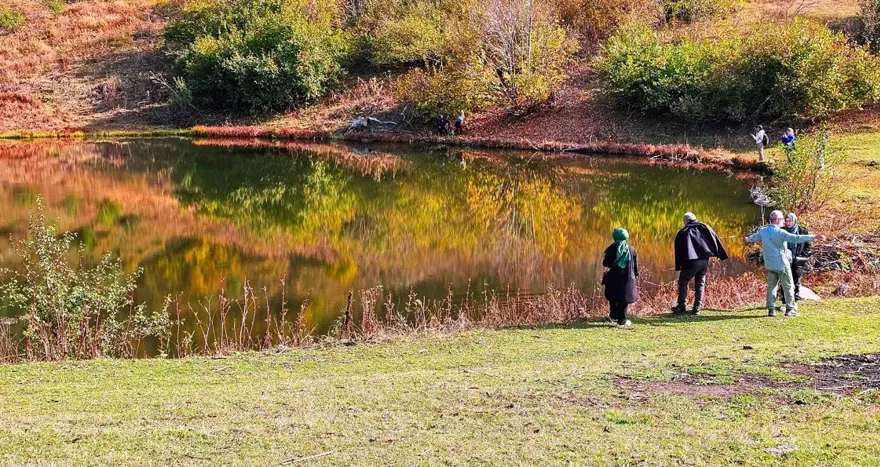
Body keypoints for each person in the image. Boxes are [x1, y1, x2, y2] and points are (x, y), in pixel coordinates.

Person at [744, 210, 822, 317]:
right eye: (781, 220)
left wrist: (747, 238)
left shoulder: (763, 231)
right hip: (782, 264)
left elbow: (751, 238)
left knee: (771, 287)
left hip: (770, 264)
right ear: (777, 220)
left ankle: (771, 310)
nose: (783, 222)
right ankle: (790, 310)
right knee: (788, 286)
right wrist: (814, 237)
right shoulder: (781, 233)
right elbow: (797, 238)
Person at [672, 212, 729, 316]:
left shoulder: (684, 232)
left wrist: (679, 265)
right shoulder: (704, 227)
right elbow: (714, 239)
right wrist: (718, 253)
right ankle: (697, 308)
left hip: (691, 262)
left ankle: (681, 306)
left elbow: (679, 251)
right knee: (700, 283)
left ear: (685, 221)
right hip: (704, 260)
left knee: (683, 282)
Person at [603, 228, 639, 328]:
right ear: (626, 237)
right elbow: (635, 266)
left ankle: (613, 317)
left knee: (613, 297)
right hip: (627, 278)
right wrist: (635, 275)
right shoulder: (631, 249)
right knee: (624, 299)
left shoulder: (611, 248)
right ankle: (621, 321)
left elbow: (605, 263)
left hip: (613, 278)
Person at [779, 212, 811, 306]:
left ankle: (794, 301)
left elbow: (807, 245)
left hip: (798, 260)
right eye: (786, 221)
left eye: (790, 221)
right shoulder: (782, 231)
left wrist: (803, 256)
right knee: (784, 281)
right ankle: (785, 302)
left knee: (796, 280)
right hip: (785, 259)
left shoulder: (802, 231)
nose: (788, 223)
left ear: (794, 221)